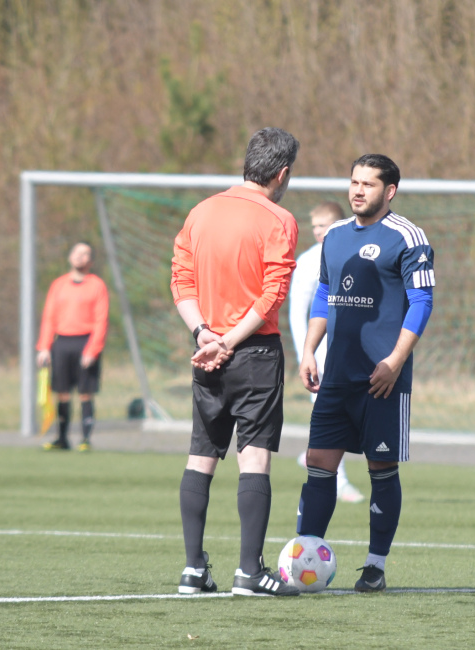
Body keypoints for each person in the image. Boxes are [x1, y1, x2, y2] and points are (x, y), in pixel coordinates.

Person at [171, 127, 301, 597]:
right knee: (255, 459)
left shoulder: (201, 211)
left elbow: (180, 279)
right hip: (254, 353)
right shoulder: (279, 219)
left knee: (201, 455)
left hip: (206, 351)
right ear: (282, 173)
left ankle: (191, 570)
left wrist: (204, 334)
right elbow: (272, 294)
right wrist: (229, 339)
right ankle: (249, 572)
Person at [296, 154, 434, 592]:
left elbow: (422, 303)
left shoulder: (408, 237)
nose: (357, 190)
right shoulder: (334, 237)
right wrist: (308, 350)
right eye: (354, 182)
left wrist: (394, 361)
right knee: (318, 463)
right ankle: (307, 557)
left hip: (382, 378)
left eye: (368, 184)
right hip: (336, 374)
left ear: (388, 191)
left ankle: (375, 565)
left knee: (380, 467)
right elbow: (324, 293)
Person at [288, 201, 365, 504]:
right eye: (315, 227)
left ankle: (312, 457)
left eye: (325, 226)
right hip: (321, 355)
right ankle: (339, 481)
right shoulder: (308, 261)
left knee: (354, 414)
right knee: (331, 415)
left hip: (352, 351)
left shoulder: (355, 252)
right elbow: (297, 313)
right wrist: (304, 353)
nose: (319, 232)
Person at [36, 242, 110, 452]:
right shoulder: (58, 285)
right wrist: (44, 347)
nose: (80, 257)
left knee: (85, 392)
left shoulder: (97, 285)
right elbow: (49, 318)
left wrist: (92, 350)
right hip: (62, 342)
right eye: (76, 253)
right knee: (62, 392)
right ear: (70, 257)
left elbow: (100, 320)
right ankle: (61, 438)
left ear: (91, 261)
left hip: (85, 342)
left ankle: (85, 440)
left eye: (85, 253)